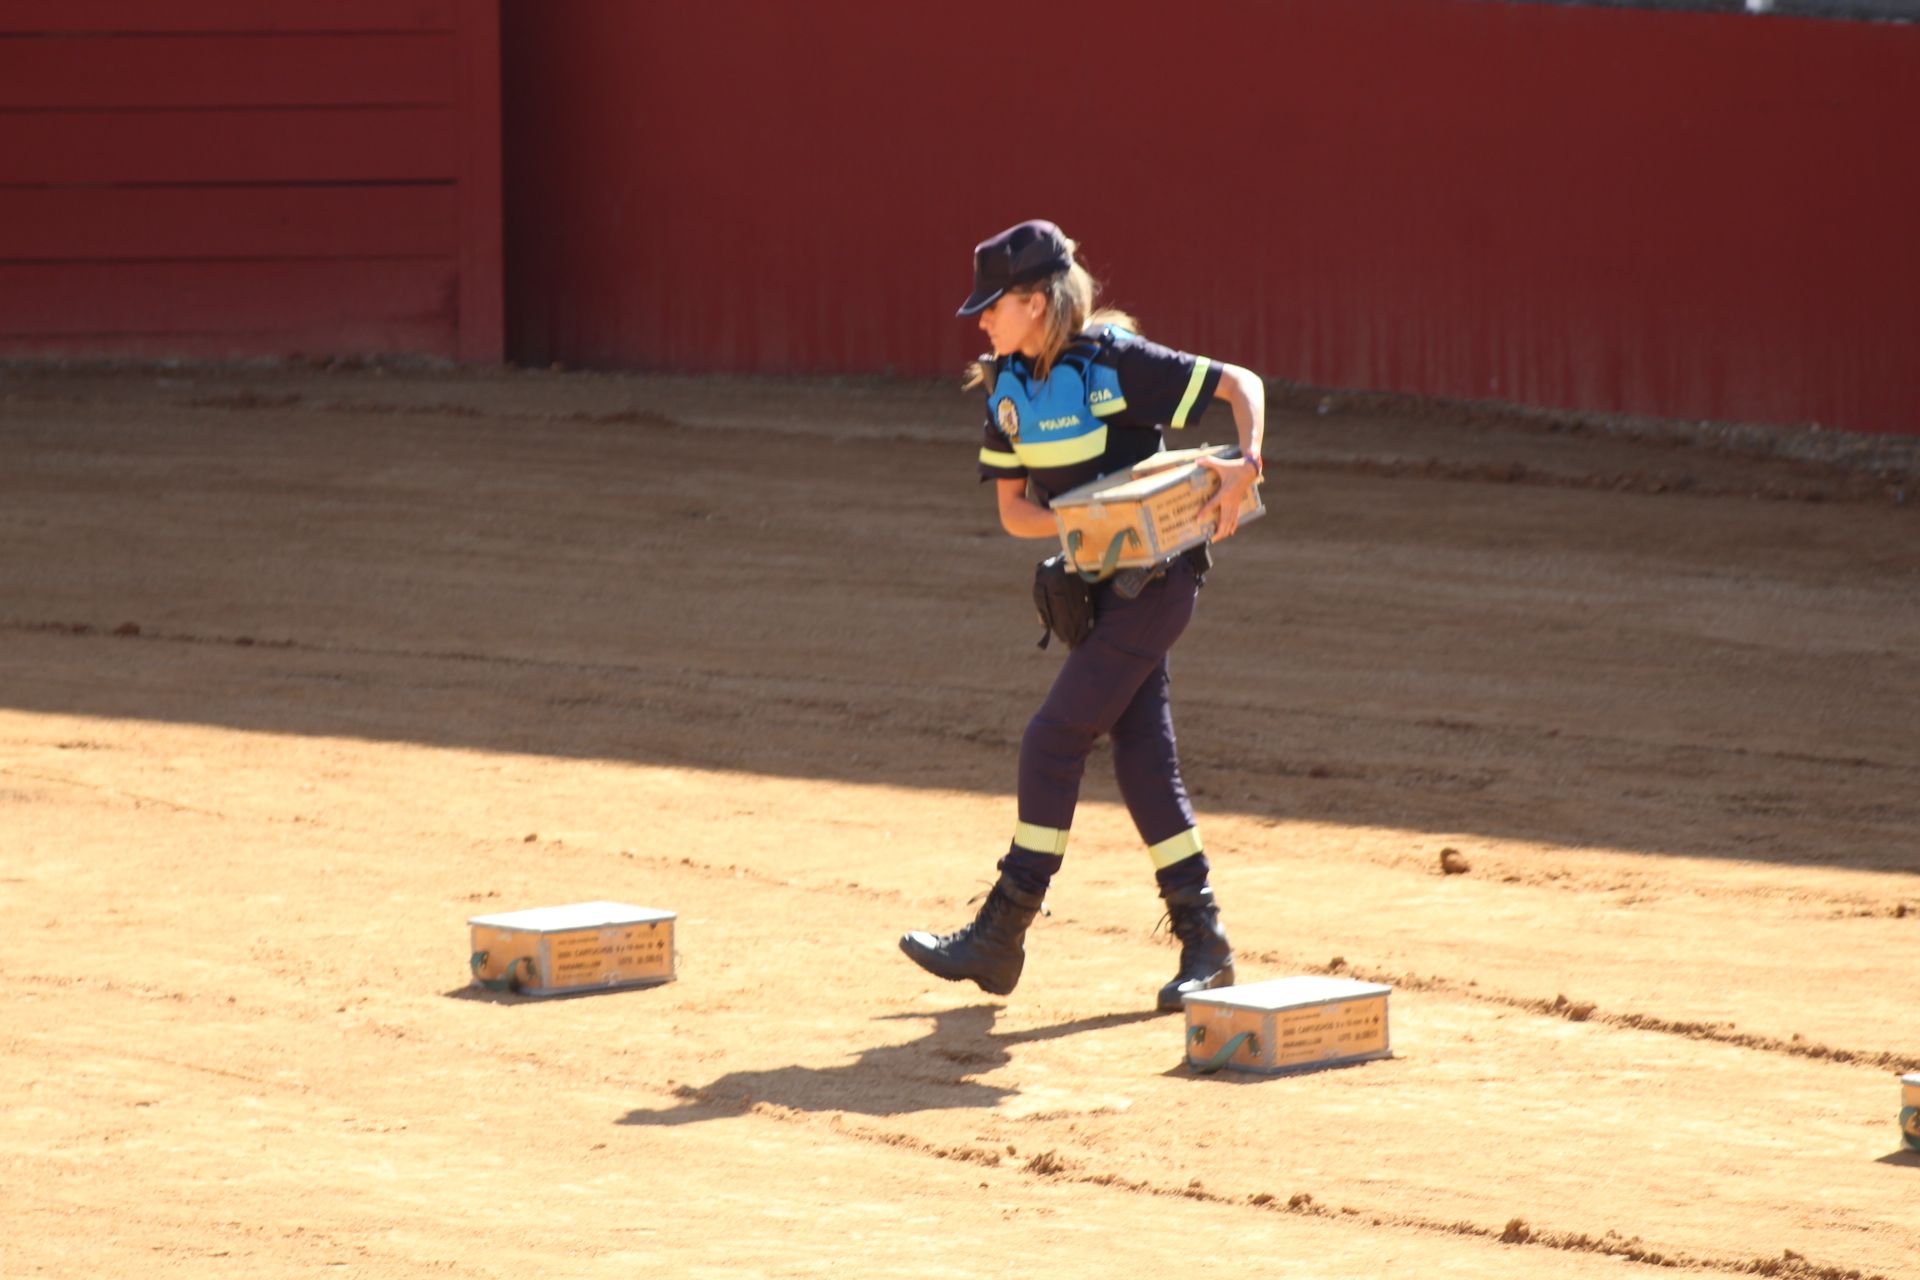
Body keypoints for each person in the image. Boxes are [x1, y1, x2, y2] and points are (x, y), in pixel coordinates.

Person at [899, 219, 1266, 1011]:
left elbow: (1242, 385)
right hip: (1100, 589)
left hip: (1158, 583)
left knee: (1053, 737)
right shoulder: (1004, 389)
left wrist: (1245, 468)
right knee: (1142, 756)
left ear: (1036, 302)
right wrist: (1085, 524)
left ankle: (1004, 929)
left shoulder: (1114, 361)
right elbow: (1015, 512)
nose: (981, 320)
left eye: (993, 305)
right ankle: (1206, 941)